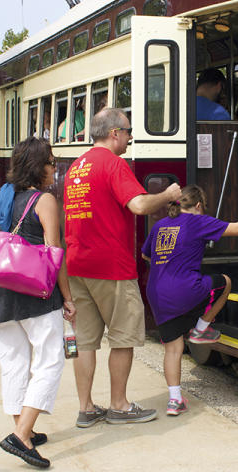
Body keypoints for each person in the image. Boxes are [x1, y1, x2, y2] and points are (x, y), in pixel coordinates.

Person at [63, 107, 182, 427]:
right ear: (114, 133)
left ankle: (86, 408)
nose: (130, 137)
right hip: (111, 266)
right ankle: (119, 405)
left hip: (77, 265)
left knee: (85, 341)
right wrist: (167, 194)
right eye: (128, 131)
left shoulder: (76, 167)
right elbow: (139, 205)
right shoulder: (114, 164)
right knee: (122, 337)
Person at [141, 185, 238, 416]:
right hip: (184, 289)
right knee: (225, 282)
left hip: (157, 293)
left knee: (173, 348)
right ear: (198, 205)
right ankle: (200, 329)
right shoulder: (197, 221)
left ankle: (174, 401)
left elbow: (145, 254)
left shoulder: (160, 225)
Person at [0, 137, 75, 469]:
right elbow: (55, 253)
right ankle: (21, 435)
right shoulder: (45, 201)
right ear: (38, 167)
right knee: (50, 360)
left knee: (13, 362)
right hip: (36, 291)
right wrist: (68, 298)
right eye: (51, 162)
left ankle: (23, 429)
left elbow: (0, 237)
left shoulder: (4, 194)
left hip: (2, 288)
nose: (55, 168)